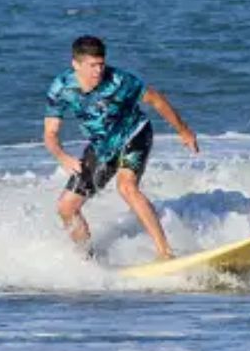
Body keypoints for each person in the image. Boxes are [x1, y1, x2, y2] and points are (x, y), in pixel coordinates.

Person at [43, 35, 199, 260]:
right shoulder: (61, 88)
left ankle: (165, 252)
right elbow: (50, 133)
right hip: (102, 146)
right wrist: (61, 156)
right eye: (92, 66)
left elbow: (156, 99)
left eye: (101, 64)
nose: (98, 71)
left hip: (133, 134)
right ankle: (88, 259)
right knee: (66, 207)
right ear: (76, 64)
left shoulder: (119, 80)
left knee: (126, 187)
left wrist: (183, 130)